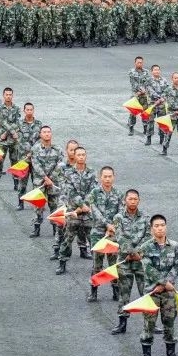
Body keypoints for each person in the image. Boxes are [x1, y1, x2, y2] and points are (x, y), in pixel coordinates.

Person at [136, 214, 178, 356]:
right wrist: (163, 283)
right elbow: (148, 269)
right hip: (151, 292)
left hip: (168, 292)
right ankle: (146, 354)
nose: (160, 228)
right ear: (151, 229)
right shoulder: (145, 247)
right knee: (149, 323)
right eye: (156, 226)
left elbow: (176, 267)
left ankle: (171, 354)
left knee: (169, 322)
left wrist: (165, 284)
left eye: (162, 225)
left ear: (166, 227)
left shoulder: (175, 246)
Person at [109, 189, 147, 335]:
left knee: (146, 293)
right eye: (130, 199)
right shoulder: (118, 217)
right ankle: (122, 323)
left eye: (135, 199)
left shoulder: (145, 217)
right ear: (125, 200)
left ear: (139, 201)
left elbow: (148, 237)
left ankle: (150, 323)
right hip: (125, 261)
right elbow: (120, 238)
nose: (133, 201)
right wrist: (132, 253)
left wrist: (139, 254)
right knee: (124, 293)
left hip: (141, 262)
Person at [56, 145, 97, 274]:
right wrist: (81, 205)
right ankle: (62, 262)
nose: (81, 157)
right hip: (73, 211)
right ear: (74, 156)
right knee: (67, 239)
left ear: (86, 156)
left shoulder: (91, 172)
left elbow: (94, 190)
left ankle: (96, 266)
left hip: (88, 212)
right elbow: (70, 191)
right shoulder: (68, 173)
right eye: (78, 155)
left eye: (83, 155)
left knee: (93, 240)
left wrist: (85, 205)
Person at [85, 166, 123, 301]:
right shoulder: (94, 193)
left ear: (114, 177)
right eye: (105, 176)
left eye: (110, 176)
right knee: (97, 264)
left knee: (113, 264)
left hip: (113, 233)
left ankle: (116, 290)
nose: (107, 179)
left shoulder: (119, 194)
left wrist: (113, 226)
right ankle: (94, 291)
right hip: (98, 233)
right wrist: (107, 225)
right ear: (100, 177)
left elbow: (121, 212)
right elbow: (94, 211)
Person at [27, 125, 63, 238]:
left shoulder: (58, 149)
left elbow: (60, 164)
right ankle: (36, 228)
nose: (47, 134)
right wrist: (45, 178)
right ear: (40, 134)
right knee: (38, 206)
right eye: (44, 132)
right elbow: (35, 165)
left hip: (54, 182)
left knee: (54, 205)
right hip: (40, 182)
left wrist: (51, 178)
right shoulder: (35, 148)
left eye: (49, 132)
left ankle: (56, 229)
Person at [0, 87, 21, 193]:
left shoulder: (16, 108)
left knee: (15, 161)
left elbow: (18, 122)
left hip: (13, 139)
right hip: (2, 139)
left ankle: (16, 184)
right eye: (6, 94)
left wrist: (8, 132)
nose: (8, 96)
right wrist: (11, 131)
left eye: (10, 94)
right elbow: (1, 121)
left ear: (12, 96)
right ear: (3, 95)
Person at [163, 71, 178, 157]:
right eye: (175, 78)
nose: (177, 79)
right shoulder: (168, 89)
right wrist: (177, 109)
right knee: (168, 132)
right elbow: (167, 100)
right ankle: (164, 149)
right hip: (172, 114)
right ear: (172, 79)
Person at [142, 64, 167, 147]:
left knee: (162, 121)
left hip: (161, 105)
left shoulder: (164, 80)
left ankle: (162, 138)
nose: (157, 71)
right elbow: (150, 91)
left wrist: (162, 98)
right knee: (150, 121)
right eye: (155, 70)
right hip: (152, 104)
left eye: (158, 70)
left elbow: (167, 90)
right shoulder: (148, 80)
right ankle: (148, 138)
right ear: (152, 71)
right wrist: (160, 98)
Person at [127, 56, 149, 136]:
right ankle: (131, 128)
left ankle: (145, 129)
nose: (140, 64)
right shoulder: (131, 72)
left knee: (145, 112)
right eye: (138, 62)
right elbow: (133, 83)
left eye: (141, 62)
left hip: (144, 95)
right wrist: (141, 90)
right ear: (135, 63)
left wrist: (144, 90)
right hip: (135, 95)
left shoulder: (146, 72)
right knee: (133, 113)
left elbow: (148, 82)